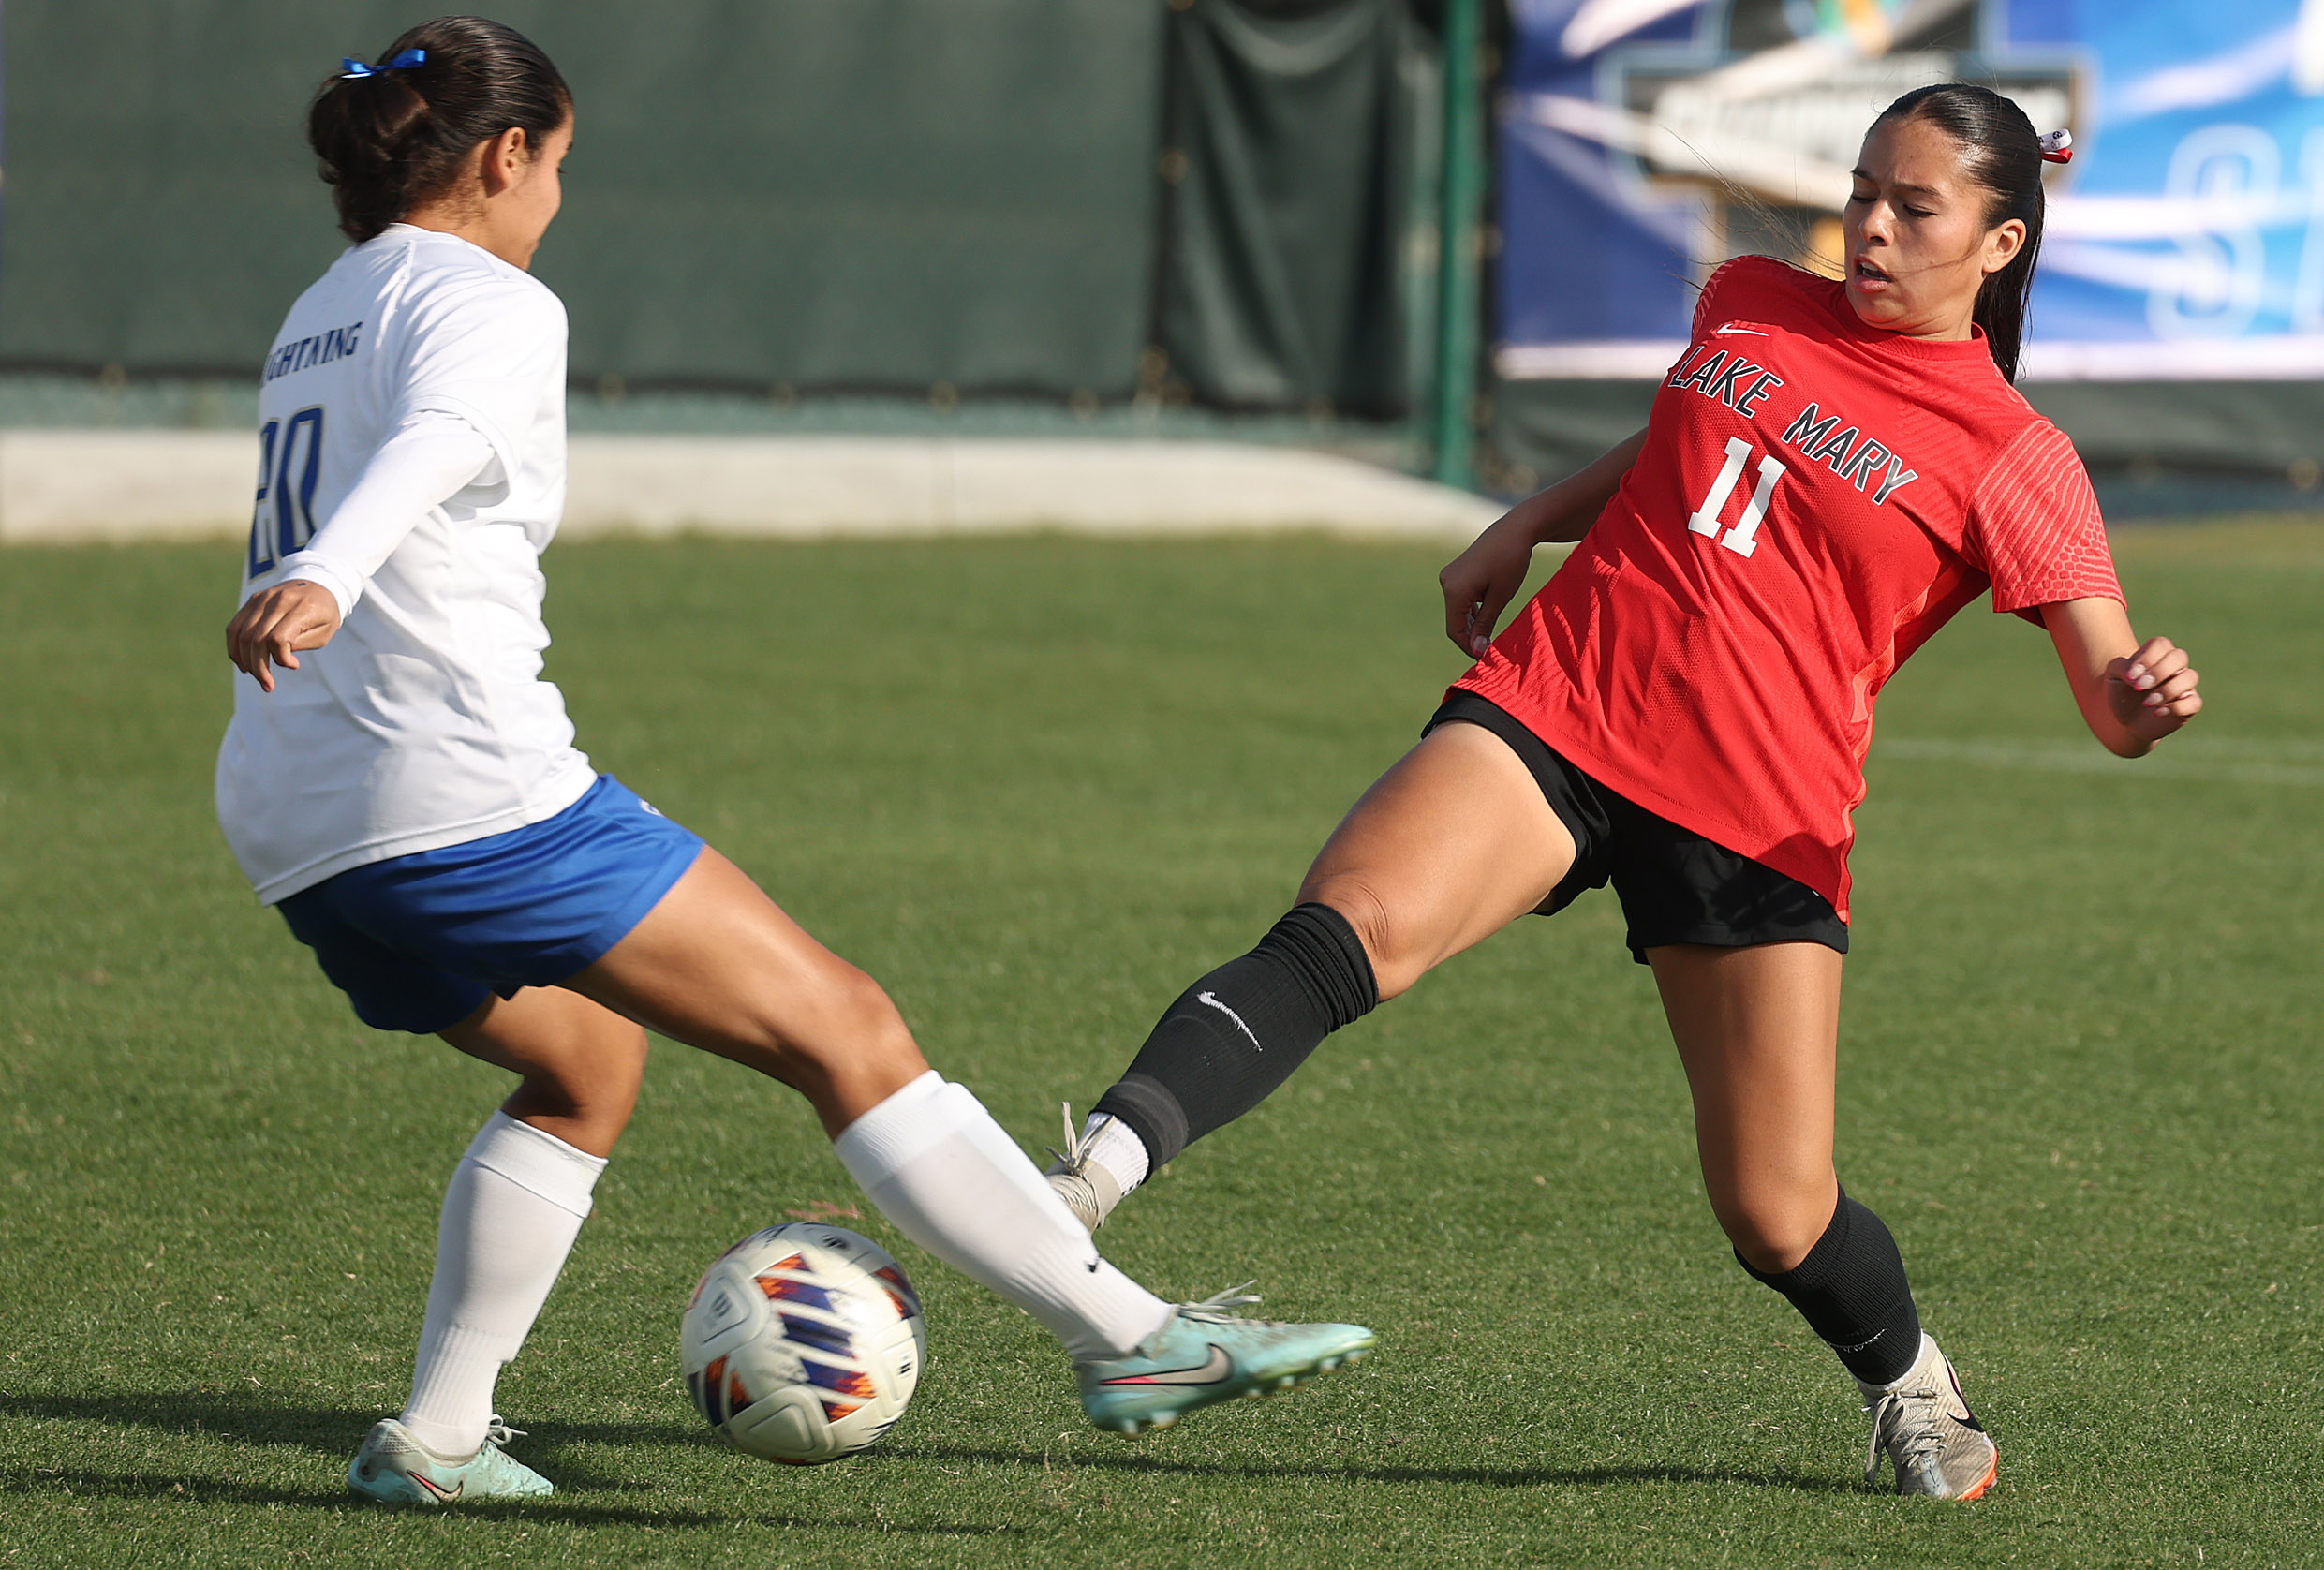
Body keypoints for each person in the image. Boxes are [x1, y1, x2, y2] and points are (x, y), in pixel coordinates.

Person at [219, 17, 1371, 1507]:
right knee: (845, 1027)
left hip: (294, 814)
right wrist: (328, 568)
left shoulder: (324, 302)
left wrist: (316, 574)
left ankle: (438, 1438)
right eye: (558, 164)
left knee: (582, 1065)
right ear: (505, 156)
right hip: (458, 793)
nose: (559, 195)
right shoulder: (492, 299)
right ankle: (1130, 1336)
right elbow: (435, 442)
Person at [1044, 83, 2202, 1501]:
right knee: (1348, 929)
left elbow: (2103, 691)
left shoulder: (2016, 460)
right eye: (1860, 193)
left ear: (2000, 240)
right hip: (1567, 703)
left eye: (1915, 208)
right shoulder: (1754, 299)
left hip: (1756, 808)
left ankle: (1907, 1379)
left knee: (1774, 1213)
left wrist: (2137, 702)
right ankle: (1081, 1187)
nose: (1872, 229)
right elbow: (1683, 444)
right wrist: (1529, 521)